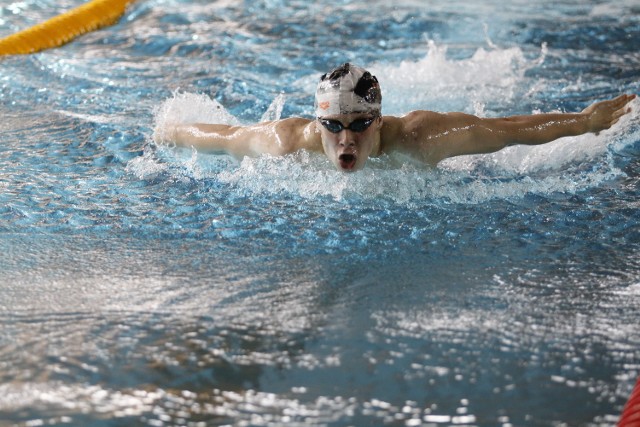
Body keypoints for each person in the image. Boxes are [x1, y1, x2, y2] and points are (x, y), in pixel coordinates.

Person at [157, 63, 636, 172]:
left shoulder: (422, 138)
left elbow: (507, 130)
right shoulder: (289, 141)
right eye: (335, 126)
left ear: (379, 122)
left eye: (361, 125)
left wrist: (584, 122)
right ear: (318, 123)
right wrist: (171, 130)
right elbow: (225, 136)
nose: (347, 139)